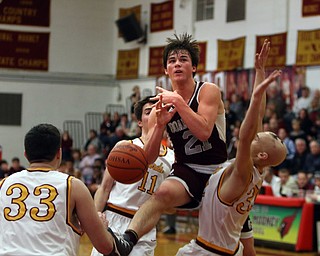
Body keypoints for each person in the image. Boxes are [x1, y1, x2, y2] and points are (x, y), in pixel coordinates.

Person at [109, 33, 228, 254]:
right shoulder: (159, 107)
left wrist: (179, 103)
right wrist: (159, 126)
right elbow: (149, 157)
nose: (177, 63)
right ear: (166, 70)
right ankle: (126, 240)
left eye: (183, 59)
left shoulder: (207, 90)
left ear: (193, 67)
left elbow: (203, 132)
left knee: (236, 237)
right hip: (188, 168)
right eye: (172, 61)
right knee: (161, 194)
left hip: (219, 170)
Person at [176, 41, 287, 255]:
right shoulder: (257, 169)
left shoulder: (244, 172)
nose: (262, 132)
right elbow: (259, 115)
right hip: (227, 248)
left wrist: (254, 99)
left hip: (209, 251)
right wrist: (260, 72)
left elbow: (245, 137)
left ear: (262, 154)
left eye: (271, 137)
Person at [0, 123, 123, 256]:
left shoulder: (3, 184)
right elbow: (104, 247)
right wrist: (104, 229)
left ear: (26, 154)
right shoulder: (73, 185)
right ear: (59, 153)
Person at [91, 96, 174, 256]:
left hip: (144, 226)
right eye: (148, 111)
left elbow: (170, 205)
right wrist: (94, 219)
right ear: (140, 122)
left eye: (158, 110)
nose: (154, 114)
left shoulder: (172, 158)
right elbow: (105, 187)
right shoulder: (124, 147)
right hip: (113, 218)